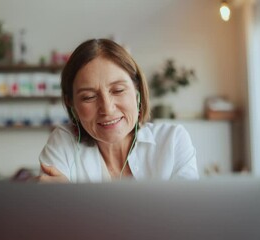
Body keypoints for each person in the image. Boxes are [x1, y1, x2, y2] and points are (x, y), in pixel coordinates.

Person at [38, 38, 198, 183]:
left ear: (138, 93)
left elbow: (189, 212)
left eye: (118, 90)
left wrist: (72, 202)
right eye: (88, 97)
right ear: (71, 104)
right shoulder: (63, 142)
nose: (107, 109)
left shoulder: (172, 140)